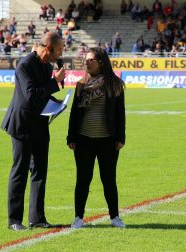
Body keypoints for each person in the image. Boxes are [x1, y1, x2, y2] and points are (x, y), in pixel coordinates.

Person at [0, 32, 66, 231]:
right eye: (60, 49)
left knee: (39, 171)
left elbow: (41, 97)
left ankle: (37, 218)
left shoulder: (46, 65)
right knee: (19, 172)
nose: (62, 52)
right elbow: (30, 96)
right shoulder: (25, 65)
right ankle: (14, 220)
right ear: (48, 48)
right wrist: (54, 83)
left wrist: (57, 104)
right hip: (21, 126)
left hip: (39, 124)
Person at [67, 47, 126, 229]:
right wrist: (71, 136)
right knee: (83, 179)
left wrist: (120, 137)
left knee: (109, 179)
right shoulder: (81, 84)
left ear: (101, 62)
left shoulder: (114, 84)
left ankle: (115, 216)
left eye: (90, 60)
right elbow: (74, 113)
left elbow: (120, 113)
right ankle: (78, 217)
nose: (87, 63)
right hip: (84, 139)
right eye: (86, 60)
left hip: (107, 140)